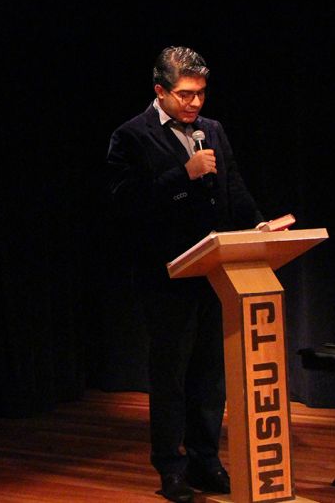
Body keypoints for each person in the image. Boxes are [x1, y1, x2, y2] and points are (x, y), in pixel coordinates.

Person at [106, 46, 263, 503]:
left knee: (210, 373)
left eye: (201, 93)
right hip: (166, 276)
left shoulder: (213, 130)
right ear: (160, 91)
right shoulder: (130, 136)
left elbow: (232, 186)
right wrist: (184, 174)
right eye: (185, 94)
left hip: (214, 271)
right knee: (171, 375)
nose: (195, 103)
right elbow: (125, 204)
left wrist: (257, 225)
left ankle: (205, 460)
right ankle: (170, 469)